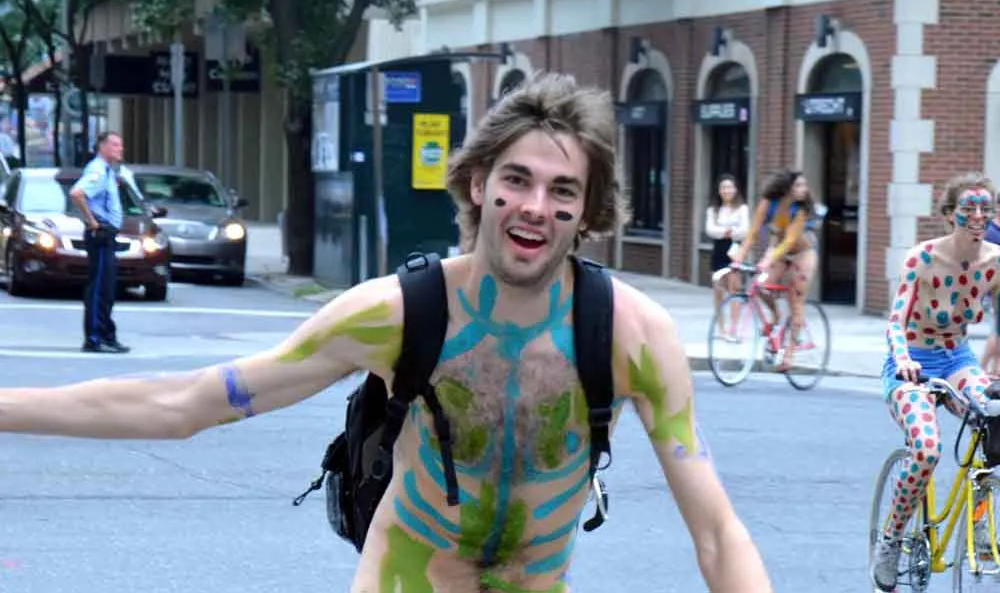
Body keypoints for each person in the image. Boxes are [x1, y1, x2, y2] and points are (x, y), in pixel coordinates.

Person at [0, 73, 773, 592]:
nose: (536, 206)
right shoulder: (400, 312)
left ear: (589, 209)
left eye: (562, 188)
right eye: (517, 179)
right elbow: (184, 404)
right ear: (479, 183)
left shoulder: (630, 335)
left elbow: (716, 533)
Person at [870, 172, 1000, 591]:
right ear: (949, 214)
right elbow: (895, 321)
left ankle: (980, 519)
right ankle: (891, 538)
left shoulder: (995, 261)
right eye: (968, 208)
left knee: (993, 420)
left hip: (957, 358)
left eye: (986, 208)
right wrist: (903, 359)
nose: (978, 215)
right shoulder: (922, 258)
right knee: (927, 449)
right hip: (913, 362)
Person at [731, 169, 817, 370]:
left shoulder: (800, 209)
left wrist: (768, 259)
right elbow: (752, 234)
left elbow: (789, 241)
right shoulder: (769, 203)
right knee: (760, 285)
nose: (803, 189)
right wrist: (739, 257)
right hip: (779, 251)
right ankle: (776, 315)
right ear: (786, 188)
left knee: (795, 301)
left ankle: (789, 355)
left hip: (802, 254)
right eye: (798, 185)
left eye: (804, 185)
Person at [69, 131, 129, 354]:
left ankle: (107, 335)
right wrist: (93, 222)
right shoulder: (97, 170)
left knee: (107, 288)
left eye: (120, 145)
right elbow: (77, 193)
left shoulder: (109, 171)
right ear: (102, 147)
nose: (120, 149)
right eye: (115, 145)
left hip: (108, 235)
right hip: (101, 234)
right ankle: (94, 337)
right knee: (99, 289)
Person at [705, 174, 749, 340]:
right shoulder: (713, 210)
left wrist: (725, 231)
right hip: (719, 250)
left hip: (735, 251)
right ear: (719, 190)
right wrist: (728, 231)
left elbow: (744, 230)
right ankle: (721, 327)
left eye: (730, 187)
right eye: (723, 187)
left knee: (734, 289)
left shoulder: (742, 208)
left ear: (735, 189)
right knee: (718, 290)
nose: (727, 190)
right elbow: (710, 230)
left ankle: (733, 328)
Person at [980, 193, 1000, 376]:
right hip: (992, 290)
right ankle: (982, 369)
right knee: (997, 331)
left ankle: (996, 369)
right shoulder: (991, 233)